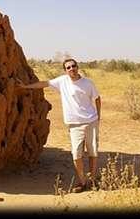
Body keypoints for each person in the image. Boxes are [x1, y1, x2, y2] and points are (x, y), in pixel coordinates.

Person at [16, 58, 101, 193]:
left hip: (90, 121)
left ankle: (92, 179)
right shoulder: (62, 81)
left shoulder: (88, 83)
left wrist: (98, 118)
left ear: (77, 67)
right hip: (74, 124)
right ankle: (82, 181)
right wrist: (26, 86)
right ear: (65, 70)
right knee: (76, 155)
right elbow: (44, 83)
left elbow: (97, 99)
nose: (71, 69)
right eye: (68, 67)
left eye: (73, 66)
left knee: (93, 152)